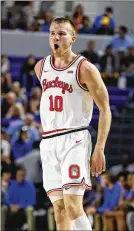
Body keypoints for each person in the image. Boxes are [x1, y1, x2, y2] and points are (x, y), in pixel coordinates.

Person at [34, 17, 111, 230]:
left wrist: (99, 148)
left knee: (73, 206)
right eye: (52, 33)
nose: (56, 37)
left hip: (74, 138)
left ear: (73, 38)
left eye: (62, 33)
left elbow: (105, 108)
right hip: (49, 141)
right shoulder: (41, 67)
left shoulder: (85, 68)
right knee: (59, 210)